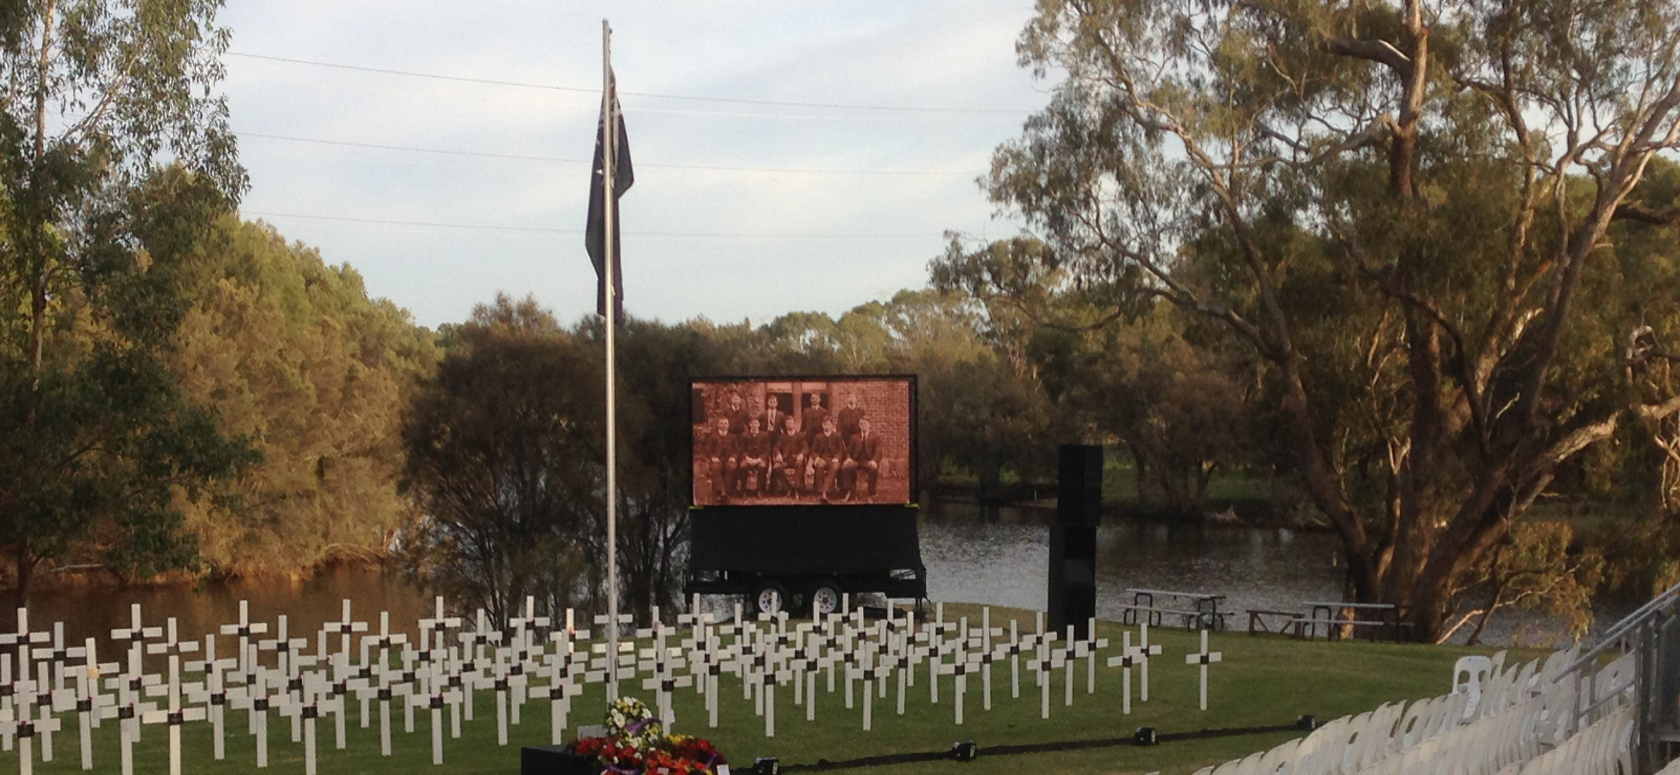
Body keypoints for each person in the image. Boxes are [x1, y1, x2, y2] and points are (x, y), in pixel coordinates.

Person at [694, 417, 737, 502]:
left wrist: (733, 457)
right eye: (721, 423)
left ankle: (727, 491)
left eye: (725, 423)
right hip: (717, 459)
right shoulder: (712, 436)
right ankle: (722, 492)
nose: (723, 425)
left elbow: (737, 450)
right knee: (715, 468)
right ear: (718, 425)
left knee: (731, 468)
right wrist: (712, 457)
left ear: (728, 425)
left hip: (729, 458)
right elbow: (707, 450)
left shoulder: (733, 437)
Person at [841, 416, 882, 501]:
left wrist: (874, 461)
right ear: (859, 426)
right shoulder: (854, 437)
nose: (863, 425)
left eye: (865, 423)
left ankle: (871, 493)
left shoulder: (875, 437)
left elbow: (879, 451)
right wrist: (848, 458)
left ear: (869, 425)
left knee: (873, 468)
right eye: (861, 424)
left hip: (868, 461)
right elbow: (848, 451)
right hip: (856, 461)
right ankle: (849, 491)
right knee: (845, 467)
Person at [808, 417, 846, 502]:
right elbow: (813, 450)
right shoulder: (818, 436)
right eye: (824, 424)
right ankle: (824, 491)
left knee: (834, 468)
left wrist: (836, 458)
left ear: (832, 426)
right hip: (822, 459)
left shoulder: (837, 436)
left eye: (828, 424)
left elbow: (841, 450)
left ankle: (824, 492)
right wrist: (817, 458)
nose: (826, 426)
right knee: (819, 467)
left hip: (833, 459)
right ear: (822, 425)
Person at [734, 417, 772, 497]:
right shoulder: (744, 435)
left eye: (756, 423)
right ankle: (744, 490)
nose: (754, 425)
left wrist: (759, 459)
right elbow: (742, 449)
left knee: (762, 467)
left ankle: (760, 490)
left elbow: (767, 450)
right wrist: (747, 458)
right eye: (752, 423)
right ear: (749, 425)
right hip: (748, 458)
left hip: (760, 458)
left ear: (759, 425)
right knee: (743, 467)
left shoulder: (764, 435)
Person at [771, 416, 807, 498]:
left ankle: (797, 489)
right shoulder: (782, 436)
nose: (790, 425)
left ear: (794, 424)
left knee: (799, 465)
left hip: (797, 459)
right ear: (785, 425)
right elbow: (776, 447)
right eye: (787, 423)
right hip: (786, 460)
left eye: (791, 423)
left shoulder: (800, 435)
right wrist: (778, 454)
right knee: (777, 467)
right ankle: (788, 488)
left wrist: (801, 454)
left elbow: (805, 447)